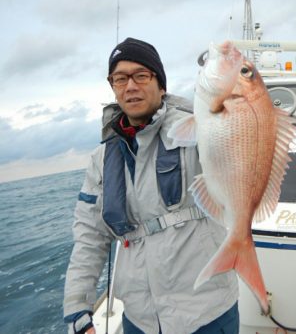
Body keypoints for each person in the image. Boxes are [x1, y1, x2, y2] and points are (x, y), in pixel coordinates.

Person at [63, 37, 239, 334]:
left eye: (141, 75)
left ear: (161, 84)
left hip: (207, 312)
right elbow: (90, 237)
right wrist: (78, 308)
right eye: (119, 79)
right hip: (139, 319)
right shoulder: (101, 158)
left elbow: (236, 144)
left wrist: (233, 73)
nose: (130, 86)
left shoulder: (199, 128)